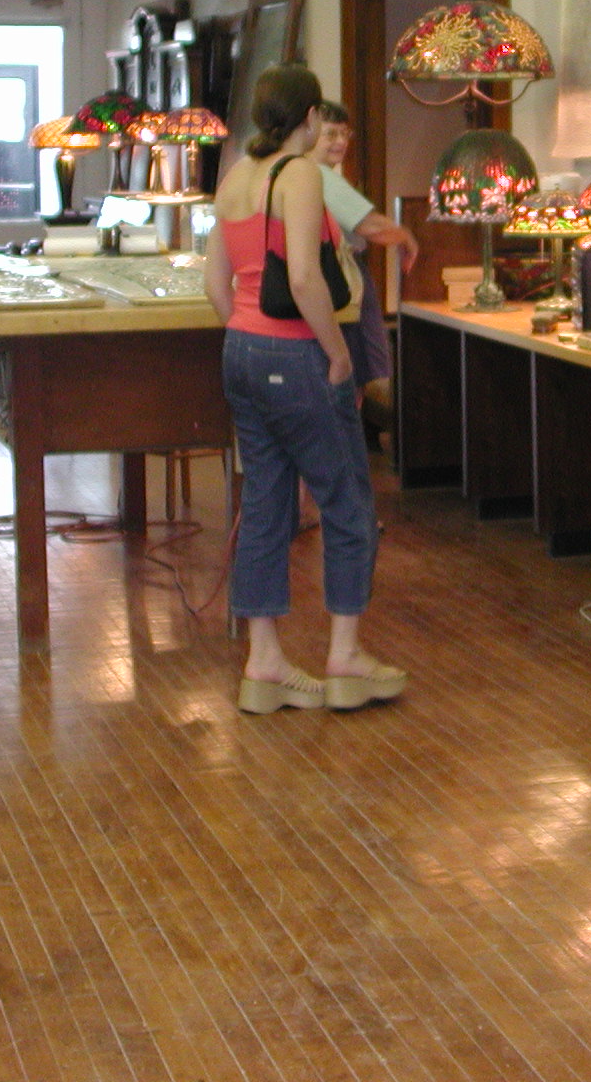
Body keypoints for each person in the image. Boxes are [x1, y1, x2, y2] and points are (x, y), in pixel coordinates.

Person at [203, 65, 407, 714]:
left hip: (240, 350)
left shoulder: (236, 177)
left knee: (267, 505)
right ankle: (345, 658)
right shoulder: (300, 176)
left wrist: (247, 333)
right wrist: (338, 352)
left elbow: (215, 283)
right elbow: (303, 279)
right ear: (312, 116)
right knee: (348, 502)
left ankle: (264, 664)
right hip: (296, 354)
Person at [305, 101, 416, 423]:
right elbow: (369, 225)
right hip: (341, 280)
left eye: (345, 134)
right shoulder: (318, 174)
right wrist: (406, 237)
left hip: (324, 281)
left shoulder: (301, 173)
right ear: (310, 134)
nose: (340, 142)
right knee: (355, 371)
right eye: (331, 134)